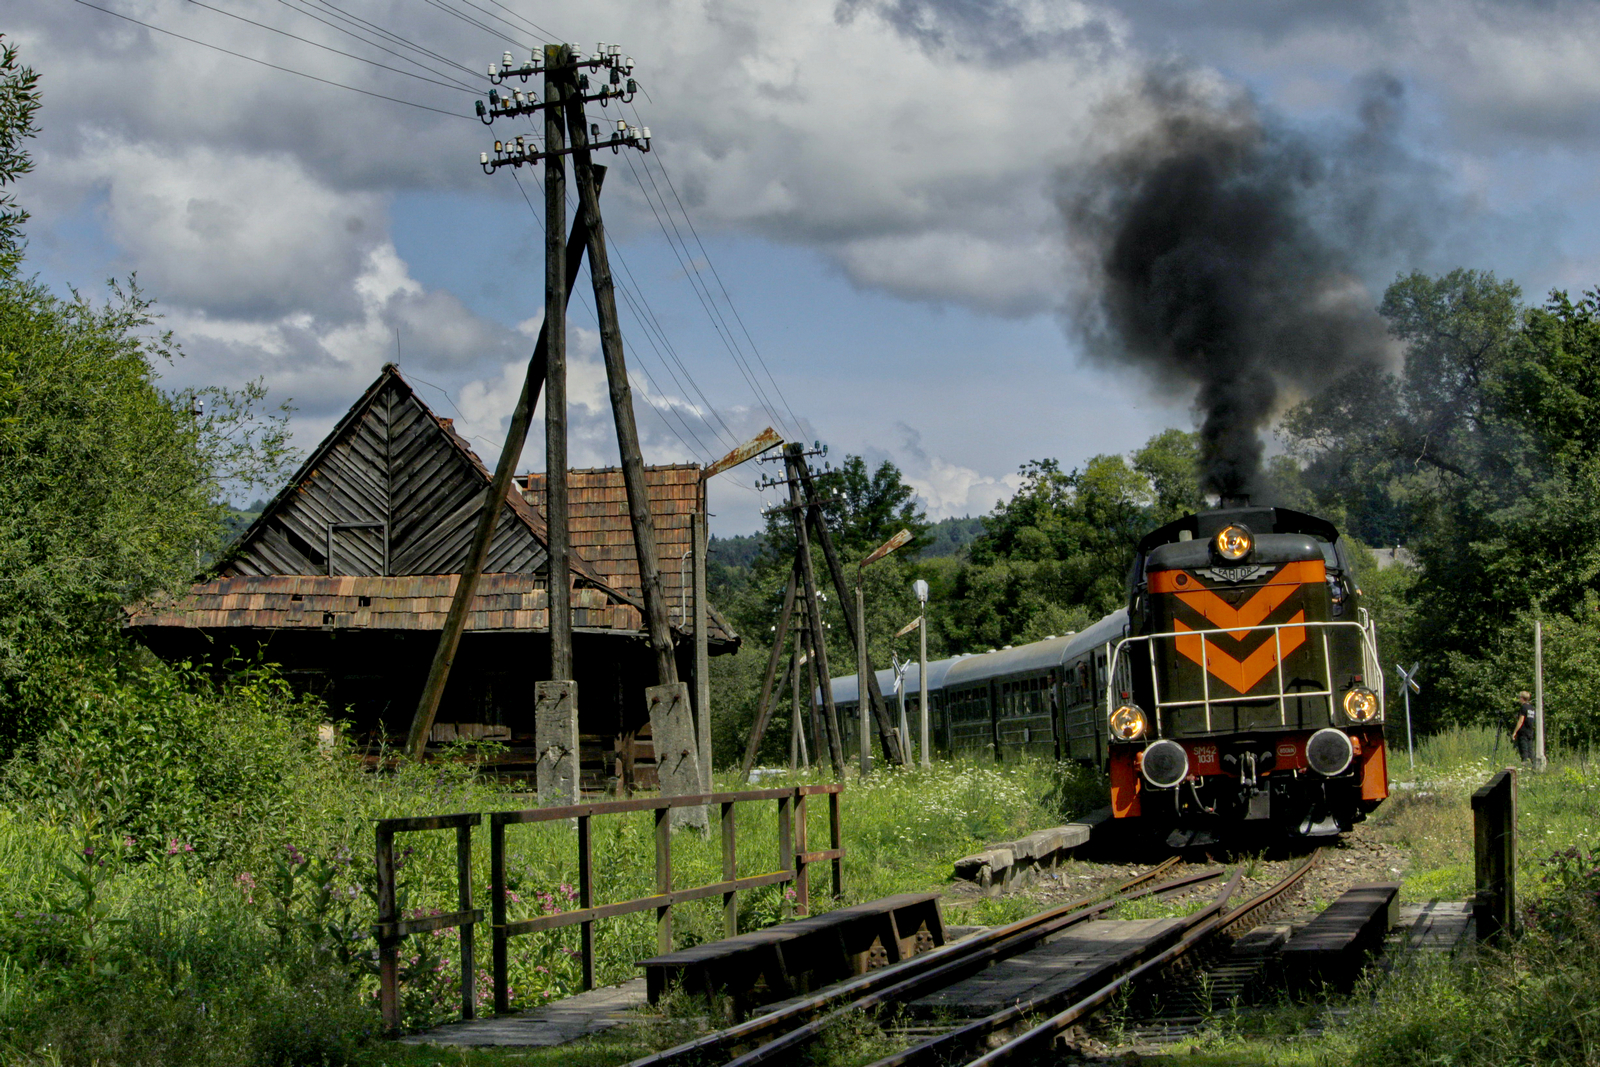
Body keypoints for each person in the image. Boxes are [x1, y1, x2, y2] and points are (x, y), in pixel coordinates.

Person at [1511, 690, 1536, 763]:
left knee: (1524, 750)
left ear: (1522, 698)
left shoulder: (1523, 707)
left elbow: (1521, 721)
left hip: (1523, 732)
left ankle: (1525, 766)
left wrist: (1515, 732)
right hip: (1530, 731)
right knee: (1530, 750)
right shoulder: (1531, 708)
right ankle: (1532, 766)